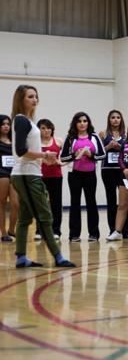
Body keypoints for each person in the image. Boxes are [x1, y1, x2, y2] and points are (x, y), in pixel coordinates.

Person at [10, 85, 74, 268]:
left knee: (24, 217)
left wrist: (44, 159)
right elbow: (21, 151)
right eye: (30, 96)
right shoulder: (21, 120)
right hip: (26, 175)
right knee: (45, 215)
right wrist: (44, 155)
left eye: (36, 96)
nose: (34, 99)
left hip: (29, 172)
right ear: (21, 99)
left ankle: (21, 257)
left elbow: (28, 151)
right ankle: (58, 256)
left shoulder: (27, 121)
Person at [60, 112, 105, 242]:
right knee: (75, 203)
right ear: (75, 123)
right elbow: (63, 157)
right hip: (74, 174)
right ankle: (74, 234)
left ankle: (94, 234)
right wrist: (75, 154)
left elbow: (102, 155)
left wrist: (90, 155)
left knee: (91, 203)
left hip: (90, 174)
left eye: (85, 121)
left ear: (88, 123)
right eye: (79, 121)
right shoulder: (70, 137)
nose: (82, 123)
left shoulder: (95, 137)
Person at [99, 110, 128, 238]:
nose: (115, 120)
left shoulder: (126, 135)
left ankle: (127, 230)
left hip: (122, 170)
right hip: (107, 170)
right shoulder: (103, 134)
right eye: (113, 117)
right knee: (111, 200)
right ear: (109, 119)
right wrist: (108, 146)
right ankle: (113, 229)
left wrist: (119, 147)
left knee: (125, 201)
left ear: (121, 119)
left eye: (118, 117)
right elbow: (98, 152)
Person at [38, 119, 63, 239]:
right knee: (41, 204)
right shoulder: (35, 143)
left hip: (56, 176)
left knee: (56, 204)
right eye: (43, 128)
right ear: (39, 130)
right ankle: (39, 230)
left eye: (48, 128)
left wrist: (58, 161)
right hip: (39, 176)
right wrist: (43, 160)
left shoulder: (58, 141)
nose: (46, 130)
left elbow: (66, 157)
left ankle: (56, 230)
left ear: (52, 129)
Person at [0, 114, 19, 242]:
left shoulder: (15, 141)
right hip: (1, 173)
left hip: (14, 173)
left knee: (15, 204)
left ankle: (12, 229)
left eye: (8, 124)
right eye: (3, 124)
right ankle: (4, 232)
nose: (6, 126)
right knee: (1, 203)